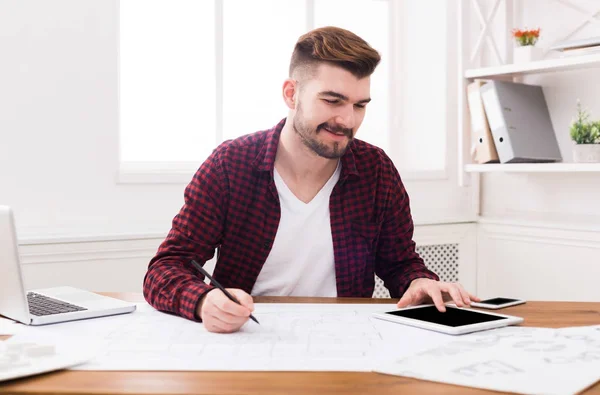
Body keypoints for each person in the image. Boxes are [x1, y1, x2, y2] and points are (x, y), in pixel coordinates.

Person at [143, 26, 479, 333]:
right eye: (332, 101)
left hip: (347, 337)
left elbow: (400, 264)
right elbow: (165, 268)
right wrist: (203, 301)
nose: (347, 120)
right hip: (247, 334)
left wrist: (419, 282)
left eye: (359, 105)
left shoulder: (376, 169)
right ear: (291, 94)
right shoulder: (230, 165)